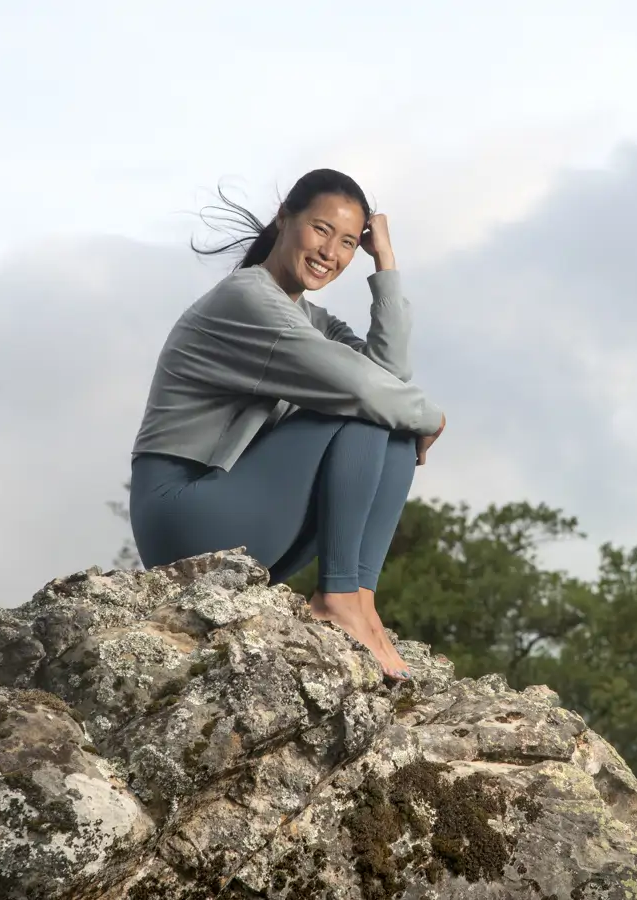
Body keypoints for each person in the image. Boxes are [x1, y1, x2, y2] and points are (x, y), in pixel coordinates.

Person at [129, 168, 445, 680]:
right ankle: (339, 599)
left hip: (237, 516)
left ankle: (360, 600)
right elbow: (368, 393)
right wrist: (434, 416)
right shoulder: (247, 300)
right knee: (366, 412)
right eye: (321, 230)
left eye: (347, 242)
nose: (331, 253)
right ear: (284, 219)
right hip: (181, 513)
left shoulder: (313, 321)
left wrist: (385, 264)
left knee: (392, 427)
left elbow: (390, 378)